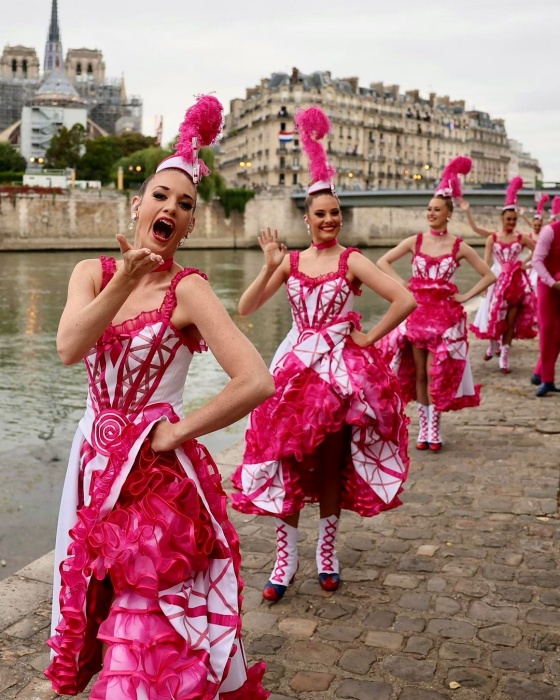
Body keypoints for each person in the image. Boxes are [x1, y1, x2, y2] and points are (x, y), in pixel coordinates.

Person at [45, 96, 273, 700]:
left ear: (191, 225)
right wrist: (125, 273)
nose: (171, 207)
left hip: (156, 479)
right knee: (98, 612)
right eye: (161, 196)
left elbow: (256, 379)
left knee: (143, 630)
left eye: (185, 204)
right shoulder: (92, 274)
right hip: (93, 467)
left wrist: (177, 431)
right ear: (137, 204)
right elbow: (69, 347)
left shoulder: (190, 290)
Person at [230, 106, 416, 603]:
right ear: (307, 219)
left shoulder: (352, 259)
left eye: (335, 213)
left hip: (337, 373)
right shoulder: (290, 262)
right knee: (286, 460)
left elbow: (405, 299)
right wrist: (270, 266)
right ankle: (285, 558)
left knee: (331, 464)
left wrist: (368, 338)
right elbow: (246, 307)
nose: (330, 220)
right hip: (293, 369)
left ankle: (326, 554)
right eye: (321, 214)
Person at [377, 156, 495, 452]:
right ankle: (423, 428)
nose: (431, 213)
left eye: (436, 210)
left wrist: (467, 296)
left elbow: (489, 275)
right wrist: (403, 286)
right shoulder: (415, 241)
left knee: (435, 372)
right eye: (428, 209)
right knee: (417, 373)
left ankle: (435, 427)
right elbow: (383, 261)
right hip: (417, 315)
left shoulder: (458, 246)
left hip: (444, 319)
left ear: (448, 213)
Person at [461, 177, 536, 372]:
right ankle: (494, 343)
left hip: (516, 282)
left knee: (511, 319)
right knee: (496, 317)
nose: (511, 222)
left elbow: (539, 250)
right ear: (502, 219)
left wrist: (524, 264)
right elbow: (485, 263)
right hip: (496, 280)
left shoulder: (521, 238)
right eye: (508, 219)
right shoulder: (492, 238)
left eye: (514, 219)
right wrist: (484, 286)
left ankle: (504, 354)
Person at [531, 196, 560, 396]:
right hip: (547, 285)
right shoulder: (550, 231)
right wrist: (552, 282)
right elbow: (537, 261)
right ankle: (546, 379)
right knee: (548, 328)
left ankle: (540, 372)